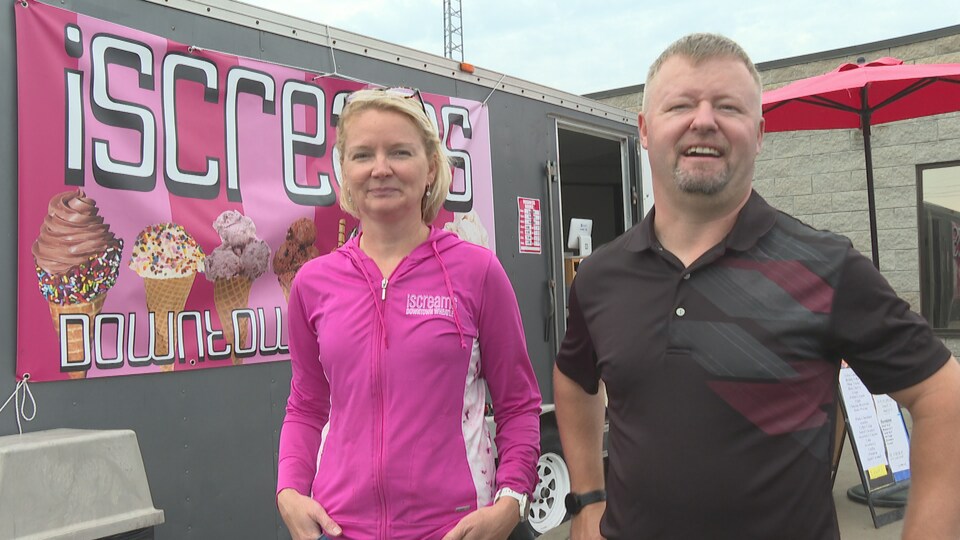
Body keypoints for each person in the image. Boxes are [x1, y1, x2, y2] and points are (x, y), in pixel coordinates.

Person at [553, 33, 960, 540]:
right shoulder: (600, 277)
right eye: (680, 104)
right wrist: (588, 498)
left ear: (760, 133)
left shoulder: (825, 266)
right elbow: (574, 377)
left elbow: (943, 394)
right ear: (644, 129)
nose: (704, 120)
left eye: (728, 106)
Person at [276, 88, 541, 540]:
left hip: (454, 530)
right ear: (345, 172)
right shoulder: (312, 283)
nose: (381, 168)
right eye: (363, 155)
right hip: (339, 528)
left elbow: (518, 404)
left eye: (400, 151)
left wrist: (511, 501)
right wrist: (289, 491)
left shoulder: (478, 272)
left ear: (431, 167)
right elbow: (307, 404)